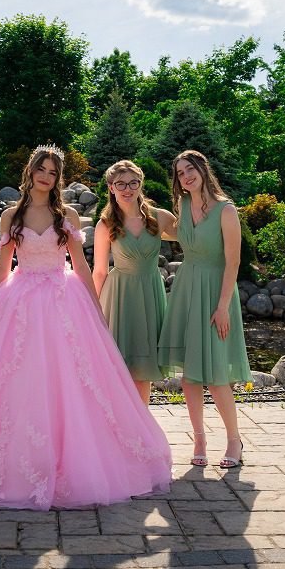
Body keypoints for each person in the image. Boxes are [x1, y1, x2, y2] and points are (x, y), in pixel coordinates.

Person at [0, 145, 172, 509]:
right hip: (21, 296)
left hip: (64, 298)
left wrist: (95, 309)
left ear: (58, 178)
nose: (46, 177)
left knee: (73, 378)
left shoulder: (68, 216)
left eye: (52, 172)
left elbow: (81, 264)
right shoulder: (11, 215)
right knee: (13, 378)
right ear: (30, 171)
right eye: (41, 169)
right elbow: (3, 266)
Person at [158, 149, 250, 469]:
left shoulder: (226, 210)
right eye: (180, 173)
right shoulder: (183, 205)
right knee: (189, 377)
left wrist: (223, 307)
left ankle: (234, 440)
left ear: (202, 169)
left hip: (215, 293)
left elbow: (233, 262)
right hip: (186, 289)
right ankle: (199, 439)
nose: (186, 176)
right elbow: (166, 230)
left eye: (190, 169)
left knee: (216, 376)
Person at [92, 160, 177, 405]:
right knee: (119, 368)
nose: (127, 189)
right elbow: (100, 271)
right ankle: (119, 420)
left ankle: (142, 422)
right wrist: (92, 308)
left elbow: (192, 238)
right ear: (111, 188)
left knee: (144, 369)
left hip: (150, 293)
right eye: (121, 184)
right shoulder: (105, 224)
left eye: (133, 183)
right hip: (120, 296)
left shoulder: (160, 217)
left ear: (141, 184)